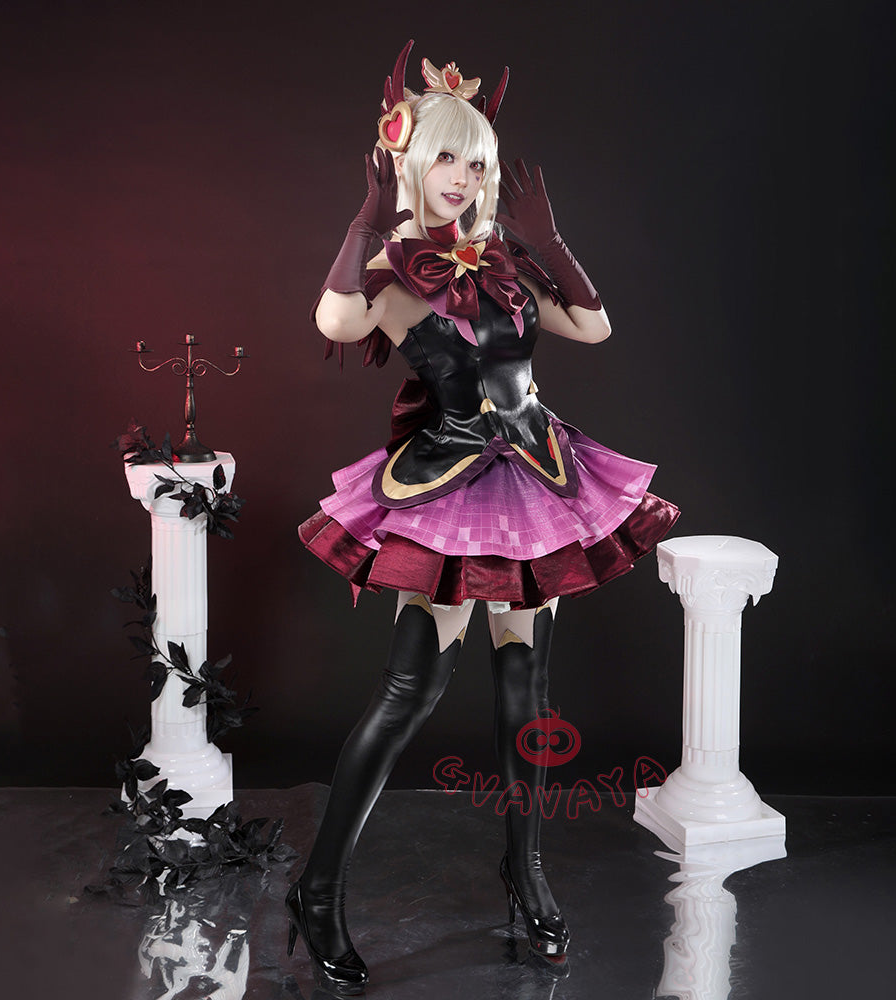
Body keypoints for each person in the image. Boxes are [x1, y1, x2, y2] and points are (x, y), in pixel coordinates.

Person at [288, 40, 679, 995]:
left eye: (476, 161)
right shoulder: (391, 271)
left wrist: (551, 242)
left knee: (525, 692)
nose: (462, 178)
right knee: (411, 689)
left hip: (538, 478)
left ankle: (525, 873)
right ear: (411, 159)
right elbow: (334, 323)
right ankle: (318, 890)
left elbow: (593, 327)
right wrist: (367, 221)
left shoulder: (500, 260)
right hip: (451, 491)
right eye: (446, 158)